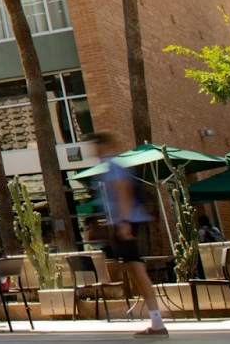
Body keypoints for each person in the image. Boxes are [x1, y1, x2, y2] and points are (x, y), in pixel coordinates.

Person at [87, 132, 166, 338]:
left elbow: (123, 193)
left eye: (94, 145)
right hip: (125, 221)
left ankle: (158, 323)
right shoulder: (112, 166)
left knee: (137, 270)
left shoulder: (113, 166)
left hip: (126, 222)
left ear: (102, 146)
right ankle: (156, 321)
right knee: (135, 270)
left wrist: (123, 224)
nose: (92, 150)